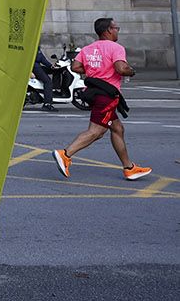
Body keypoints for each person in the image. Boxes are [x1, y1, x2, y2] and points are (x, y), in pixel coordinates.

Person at [53, 18, 149, 181]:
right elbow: (121, 68)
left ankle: (129, 168)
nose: (117, 30)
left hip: (94, 93)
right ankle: (65, 154)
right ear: (108, 30)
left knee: (117, 129)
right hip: (107, 97)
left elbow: (75, 67)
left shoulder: (88, 48)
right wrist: (131, 71)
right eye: (116, 28)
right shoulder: (116, 48)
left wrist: (93, 69)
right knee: (96, 131)